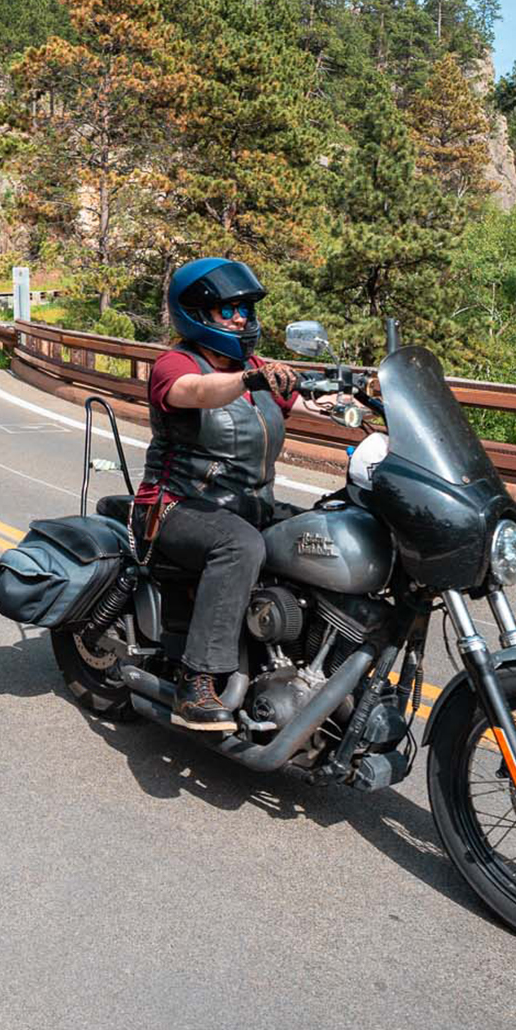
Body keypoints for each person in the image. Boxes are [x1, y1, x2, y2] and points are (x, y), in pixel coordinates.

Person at [133, 258, 323, 732]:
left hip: (249, 506)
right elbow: (195, 391)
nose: (240, 318)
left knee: (325, 533)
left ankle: (305, 661)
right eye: (227, 309)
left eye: (244, 308)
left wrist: (359, 398)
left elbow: (308, 401)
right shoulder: (176, 365)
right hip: (177, 509)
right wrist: (247, 380)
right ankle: (196, 681)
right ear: (197, 313)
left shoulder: (255, 369)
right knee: (239, 545)